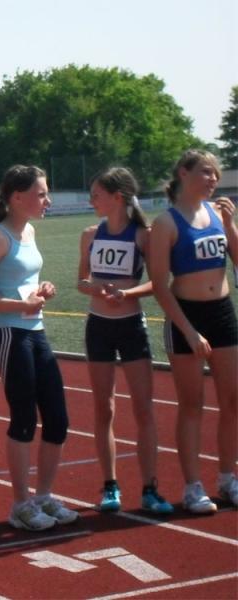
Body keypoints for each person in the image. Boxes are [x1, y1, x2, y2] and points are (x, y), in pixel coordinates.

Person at [0, 165, 79, 531]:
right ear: (17, 198)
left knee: (58, 419)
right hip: (8, 334)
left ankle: (43, 496)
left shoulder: (29, 231)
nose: (48, 200)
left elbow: (23, 281)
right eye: (41, 194)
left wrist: (42, 289)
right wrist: (22, 305)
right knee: (24, 418)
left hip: (35, 331)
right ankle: (20, 504)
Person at [77, 168, 172, 514]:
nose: (91, 201)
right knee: (104, 408)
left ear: (117, 197)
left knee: (143, 408)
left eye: (96, 195)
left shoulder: (144, 236)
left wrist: (127, 293)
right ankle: (110, 486)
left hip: (131, 326)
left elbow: (159, 282)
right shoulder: (90, 235)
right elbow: (81, 281)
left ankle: (150, 489)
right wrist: (95, 288)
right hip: (98, 327)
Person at [148, 150, 238, 514]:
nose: (213, 179)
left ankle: (228, 478)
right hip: (186, 315)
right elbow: (159, 284)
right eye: (206, 172)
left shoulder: (218, 214)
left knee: (233, 400)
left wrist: (231, 226)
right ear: (183, 173)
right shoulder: (166, 223)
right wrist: (188, 330)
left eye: (216, 173)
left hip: (222, 313)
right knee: (192, 404)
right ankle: (193, 487)